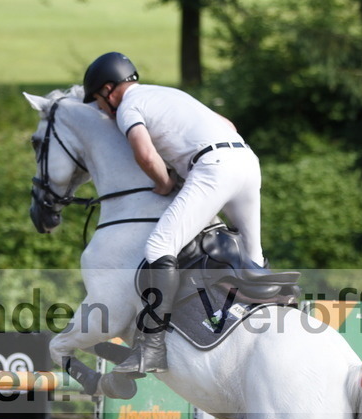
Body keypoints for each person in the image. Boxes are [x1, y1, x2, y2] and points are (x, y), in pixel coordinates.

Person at [82, 51, 265, 374]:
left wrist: (165, 183)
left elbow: (144, 153)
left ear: (110, 90)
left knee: (159, 247)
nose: (100, 108)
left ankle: (151, 348)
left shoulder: (128, 107)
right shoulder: (168, 94)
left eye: (98, 99)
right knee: (253, 258)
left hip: (214, 168)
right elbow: (229, 125)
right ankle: (276, 320)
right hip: (247, 161)